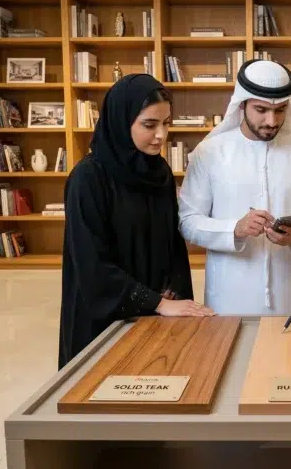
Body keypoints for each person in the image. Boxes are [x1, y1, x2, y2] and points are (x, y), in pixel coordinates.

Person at [58, 74, 213, 369]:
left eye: (166, 124)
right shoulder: (88, 179)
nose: (161, 136)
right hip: (104, 317)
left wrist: (171, 292)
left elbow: (171, 244)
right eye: (149, 125)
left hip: (156, 310)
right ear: (121, 120)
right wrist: (156, 301)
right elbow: (92, 265)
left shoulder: (159, 172)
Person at [178, 59, 291, 315]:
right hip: (228, 298)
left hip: (289, 294)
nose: (272, 120)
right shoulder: (209, 153)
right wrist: (234, 229)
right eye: (261, 110)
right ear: (242, 104)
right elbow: (187, 221)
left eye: (280, 110)